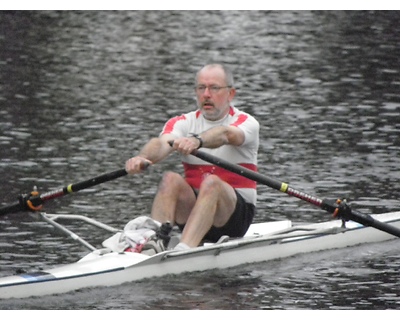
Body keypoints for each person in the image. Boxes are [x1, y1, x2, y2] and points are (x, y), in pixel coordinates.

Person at [125, 63, 260, 252]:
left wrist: (198, 141)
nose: (206, 94)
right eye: (201, 88)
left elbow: (226, 135)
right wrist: (143, 157)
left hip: (232, 218)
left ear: (231, 94)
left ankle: (184, 250)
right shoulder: (182, 122)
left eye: (214, 88)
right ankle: (152, 242)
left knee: (212, 183)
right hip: (193, 211)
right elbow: (162, 144)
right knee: (170, 179)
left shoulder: (246, 122)